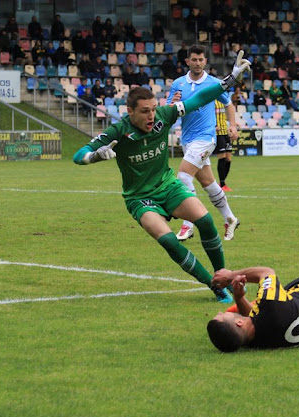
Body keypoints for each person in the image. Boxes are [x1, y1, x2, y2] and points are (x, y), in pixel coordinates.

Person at [72, 55, 251, 303]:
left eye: (154, 109)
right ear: (130, 112)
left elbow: (199, 98)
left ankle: (224, 277)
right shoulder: (118, 131)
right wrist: (93, 157)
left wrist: (229, 80)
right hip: (140, 198)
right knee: (169, 241)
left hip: (168, 186)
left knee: (206, 222)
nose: (151, 116)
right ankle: (215, 286)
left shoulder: (164, 116)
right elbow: (77, 155)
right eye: (145, 112)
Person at [167, 45, 241, 242]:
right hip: (188, 139)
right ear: (187, 61)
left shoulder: (213, 83)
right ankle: (230, 218)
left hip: (206, 138)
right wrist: (172, 104)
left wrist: (232, 125)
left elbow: (228, 104)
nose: (198, 63)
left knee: (183, 176)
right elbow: (168, 112)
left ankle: (188, 225)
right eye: (194, 60)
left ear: (205, 61)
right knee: (208, 183)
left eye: (201, 60)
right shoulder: (178, 84)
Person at [207, 266, 299, 352]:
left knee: (272, 309)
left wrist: (239, 297)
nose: (220, 312)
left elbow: (255, 318)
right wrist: (230, 276)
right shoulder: (271, 304)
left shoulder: (253, 341)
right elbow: (266, 271)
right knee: (275, 293)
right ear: (239, 322)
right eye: (221, 315)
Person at [213, 100, 234, 192]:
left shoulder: (223, 100)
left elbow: (227, 114)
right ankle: (222, 184)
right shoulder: (211, 101)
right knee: (222, 156)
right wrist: (213, 126)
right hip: (217, 133)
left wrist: (233, 123)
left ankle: (222, 182)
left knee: (229, 158)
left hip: (225, 130)